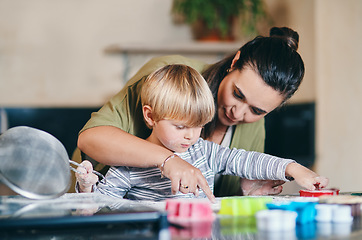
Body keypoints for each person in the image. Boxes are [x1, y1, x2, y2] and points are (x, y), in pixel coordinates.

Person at [76, 26, 306, 199]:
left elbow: (218, 192)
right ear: (234, 61)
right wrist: (167, 159)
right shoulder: (168, 77)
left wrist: (244, 191)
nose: (238, 113)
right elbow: (91, 139)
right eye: (237, 94)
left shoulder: (254, 124)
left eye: (257, 110)